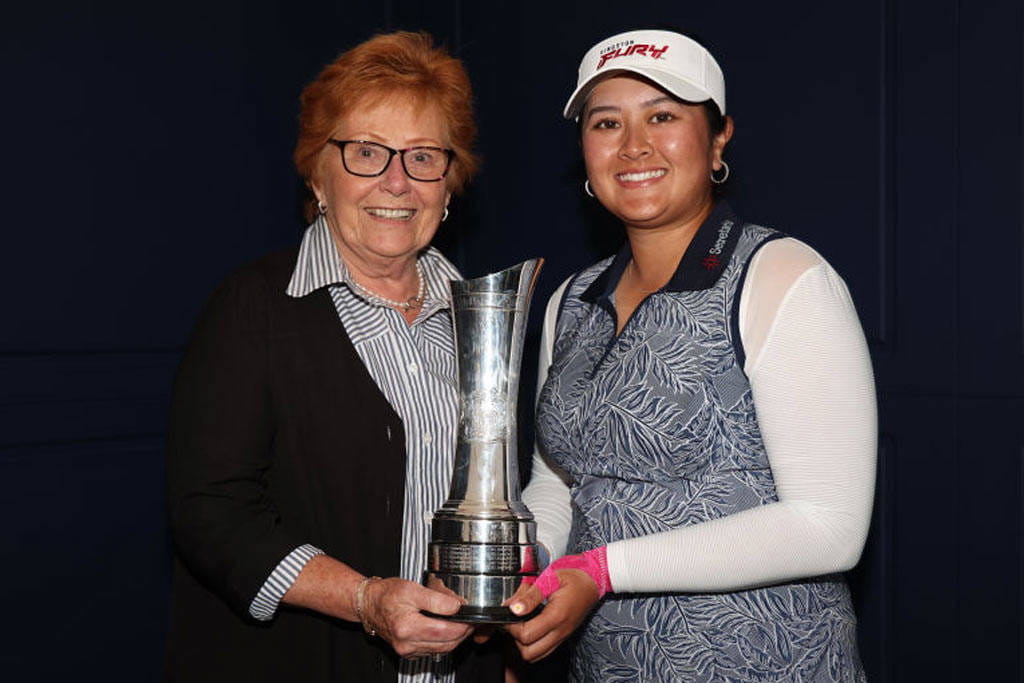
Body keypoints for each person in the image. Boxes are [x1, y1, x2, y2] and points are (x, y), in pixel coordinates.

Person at [506, 29, 876, 681]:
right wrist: (524, 562)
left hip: (764, 663)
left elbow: (831, 525)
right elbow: (561, 483)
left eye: (664, 116)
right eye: (606, 122)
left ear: (718, 139)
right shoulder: (571, 298)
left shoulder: (784, 277)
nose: (634, 145)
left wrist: (602, 570)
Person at [164, 31, 495, 682]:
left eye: (424, 156)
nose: (397, 181)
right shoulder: (252, 308)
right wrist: (366, 600)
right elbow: (210, 510)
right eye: (367, 152)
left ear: (449, 183)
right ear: (319, 172)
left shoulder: (482, 321)